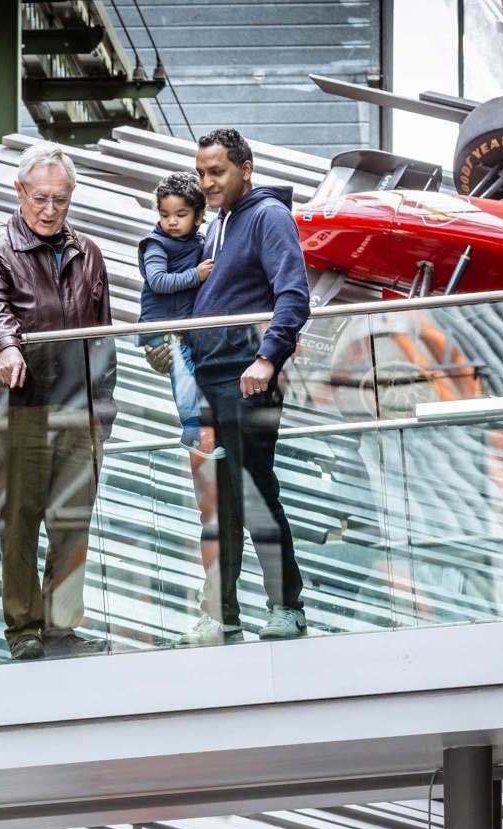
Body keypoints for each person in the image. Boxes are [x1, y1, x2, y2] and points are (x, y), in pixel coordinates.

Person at [0, 141, 117, 662]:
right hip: (20, 405)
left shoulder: (88, 252)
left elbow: (101, 336)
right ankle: (23, 629)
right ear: (19, 191)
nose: (49, 210)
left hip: (79, 407)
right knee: (21, 520)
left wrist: (104, 408)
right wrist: (7, 347)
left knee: (72, 522)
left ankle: (60, 627)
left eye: (60, 200)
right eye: (39, 199)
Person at [183, 127, 310, 643]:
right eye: (202, 174)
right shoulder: (221, 223)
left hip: (247, 375)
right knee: (225, 501)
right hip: (215, 377)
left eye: (218, 172)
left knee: (254, 492)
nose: (207, 183)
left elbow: (294, 295)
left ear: (246, 168)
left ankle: (287, 607)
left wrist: (267, 358)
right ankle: (224, 614)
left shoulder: (267, 216)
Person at [138, 171, 222, 459]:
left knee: (192, 373)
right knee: (183, 372)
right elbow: (158, 280)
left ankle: (201, 427)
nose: (171, 221)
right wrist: (195, 276)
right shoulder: (156, 244)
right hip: (161, 326)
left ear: (199, 216)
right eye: (165, 214)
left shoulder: (198, 240)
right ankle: (191, 431)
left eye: (180, 214)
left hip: (180, 325)